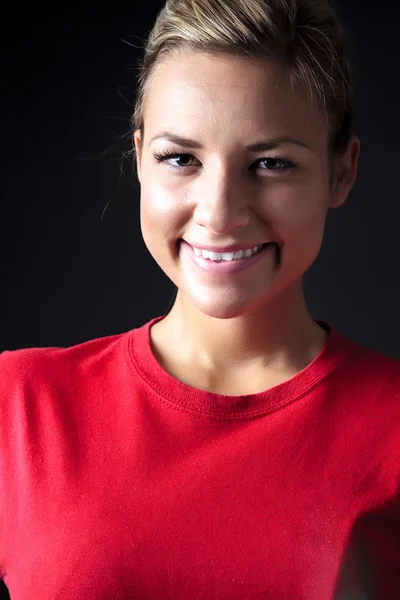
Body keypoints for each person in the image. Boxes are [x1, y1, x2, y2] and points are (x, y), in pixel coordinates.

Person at [1, 0, 399, 598]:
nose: (219, 213)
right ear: (139, 159)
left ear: (342, 172)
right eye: (180, 158)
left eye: (270, 163)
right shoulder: (20, 408)